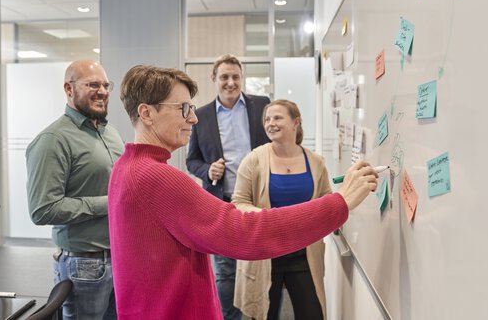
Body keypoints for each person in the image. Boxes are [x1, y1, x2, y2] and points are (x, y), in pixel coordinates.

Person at [108, 64, 378, 320]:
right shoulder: (158, 177)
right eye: (183, 108)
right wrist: (339, 203)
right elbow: (242, 231)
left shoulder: (126, 167)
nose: (193, 117)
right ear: (146, 113)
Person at [26, 59, 124, 320]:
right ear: (68, 89)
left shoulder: (110, 133)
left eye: (105, 85)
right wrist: (110, 203)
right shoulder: (53, 140)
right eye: (93, 84)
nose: (102, 91)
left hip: (120, 258)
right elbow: (43, 209)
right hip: (84, 264)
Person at [186, 54, 270, 320]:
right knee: (225, 270)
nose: (231, 82)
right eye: (224, 77)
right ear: (214, 79)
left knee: (262, 266)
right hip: (221, 201)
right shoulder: (201, 116)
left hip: (259, 201)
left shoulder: (262, 106)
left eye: (235, 76)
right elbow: (192, 160)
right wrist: (207, 170)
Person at [231, 99, 331, 320]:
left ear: (296, 122)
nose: (270, 123)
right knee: (264, 314)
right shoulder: (254, 160)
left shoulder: (316, 162)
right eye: (267, 119)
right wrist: (271, 218)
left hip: (304, 254)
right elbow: (238, 202)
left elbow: (326, 200)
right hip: (265, 253)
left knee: (313, 313)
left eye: (277, 118)